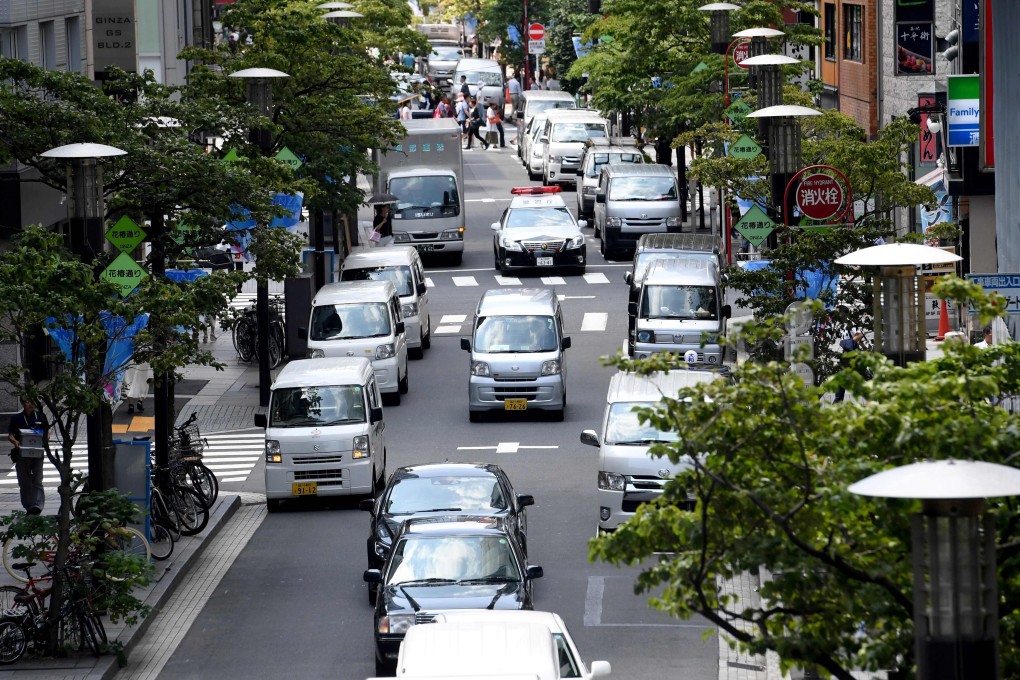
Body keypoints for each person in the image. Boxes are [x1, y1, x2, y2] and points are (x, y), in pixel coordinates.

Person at [7, 398, 48, 514]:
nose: (31, 404)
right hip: (22, 453)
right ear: (23, 404)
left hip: (38, 452)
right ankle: (29, 506)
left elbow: (47, 431)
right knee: (24, 481)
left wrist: (45, 439)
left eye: (33, 402)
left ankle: (38, 506)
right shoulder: (17, 418)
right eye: (28, 402)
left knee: (37, 479)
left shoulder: (40, 416)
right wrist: (16, 442)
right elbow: (10, 435)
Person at [833, 331, 865, 403]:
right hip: (842, 374)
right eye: (861, 336)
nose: (861, 338)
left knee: (839, 398)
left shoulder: (854, 345)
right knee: (839, 398)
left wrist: (862, 346)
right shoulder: (848, 343)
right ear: (857, 335)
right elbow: (849, 348)